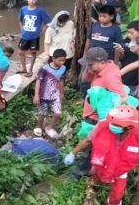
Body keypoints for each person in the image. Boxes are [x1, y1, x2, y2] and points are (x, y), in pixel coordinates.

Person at [64, 105, 139, 205]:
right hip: (100, 164)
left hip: (121, 170)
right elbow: (87, 140)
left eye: (116, 125)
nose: (112, 126)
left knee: (117, 196)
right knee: (94, 183)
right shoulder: (103, 125)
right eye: (112, 123)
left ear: (129, 127)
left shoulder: (136, 134)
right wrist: (72, 153)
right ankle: (90, 196)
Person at [72, 47, 127, 178]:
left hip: (97, 118)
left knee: (88, 145)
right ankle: (91, 170)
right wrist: (89, 68)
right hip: (92, 115)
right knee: (90, 144)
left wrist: (104, 115)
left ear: (102, 62)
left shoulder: (110, 77)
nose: (89, 66)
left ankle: (79, 173)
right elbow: (84, 80)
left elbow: (122, 98)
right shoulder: (101, 69)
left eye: (91, 64)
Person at [33, 49, 67, 138]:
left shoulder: (63, 68)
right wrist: (36, 94)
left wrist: (61, 93)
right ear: (53, 59)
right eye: (60, 60)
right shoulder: (45, 69)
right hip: (43, 94)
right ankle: (39, 126)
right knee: (43, 113)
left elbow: (61, 81)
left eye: (64, 60)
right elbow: (38, 81)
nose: (62, 62)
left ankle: (49, 127)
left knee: (58, 113)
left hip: (55, 94)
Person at [17, 0, 51, 77]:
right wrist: (22, 30)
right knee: (20, 52)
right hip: (24, 35)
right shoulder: (23, 9)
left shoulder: (40, 10)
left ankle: (30, 70)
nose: (31, 1)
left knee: (33, 53)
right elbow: (20, 19)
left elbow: (48, 22)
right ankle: (24, 68)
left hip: (34, 37)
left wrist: (41, 33)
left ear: (37, 0)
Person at [119, 21, 139, 98]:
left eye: (131, 33)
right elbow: (121, 58)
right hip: (125, 76)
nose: (129, 35)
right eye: (128, 32)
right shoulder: (127, 40)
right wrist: (119, 52)